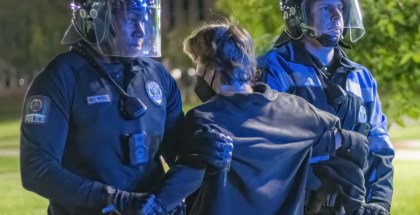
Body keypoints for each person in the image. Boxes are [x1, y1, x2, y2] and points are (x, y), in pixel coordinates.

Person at [20, 1, 228, 214]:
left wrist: (200, 151)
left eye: (145, 19)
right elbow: (37, 169)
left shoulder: (158, 75)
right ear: (96, 19)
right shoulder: (59, 78)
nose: (141, 31)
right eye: (131, 20)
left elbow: (177, 154)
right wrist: (117, 200)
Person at [141, 21, 370, 215]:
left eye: (198, 63)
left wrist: (145, 205)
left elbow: (187, 175)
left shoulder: (205, 118)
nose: (198, 71)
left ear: (212, 66)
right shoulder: (297, 110)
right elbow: (353, 143)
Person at [256, 0, 394, 214]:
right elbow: (267, 147)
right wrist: (336, 142)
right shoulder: (274, 70)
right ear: (297, 15)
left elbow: (380, 147)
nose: (337, 16)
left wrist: (379, 202)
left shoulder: (362, 78)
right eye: (325, 8)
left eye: (340, 7)